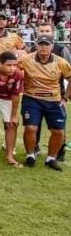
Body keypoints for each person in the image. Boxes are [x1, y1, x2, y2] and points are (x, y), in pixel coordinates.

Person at [19, 36, 71, 171]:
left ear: (52, 47)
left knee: (59, 131)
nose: (44, 47)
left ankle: (51, 158)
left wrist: (65, 98)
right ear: (36, 46)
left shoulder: (61, 62)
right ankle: (30, 155)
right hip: (31, 98)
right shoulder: (26, 60)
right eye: (41, 44)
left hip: (54, 100)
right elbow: (13, 69)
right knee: (31, 128)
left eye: (47, 44)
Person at [31, 22, 71, 159]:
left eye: (47, 30)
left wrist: (65, 97)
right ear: (37, 32)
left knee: (58, 124)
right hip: (34, 94)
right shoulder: (32, 49)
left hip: (56, 95)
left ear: (52, 33)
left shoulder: (61, 49)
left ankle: (60, 151)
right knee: (34, 123)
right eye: (41, 30)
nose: (44, 32)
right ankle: (33, 147)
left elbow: (69, 74)